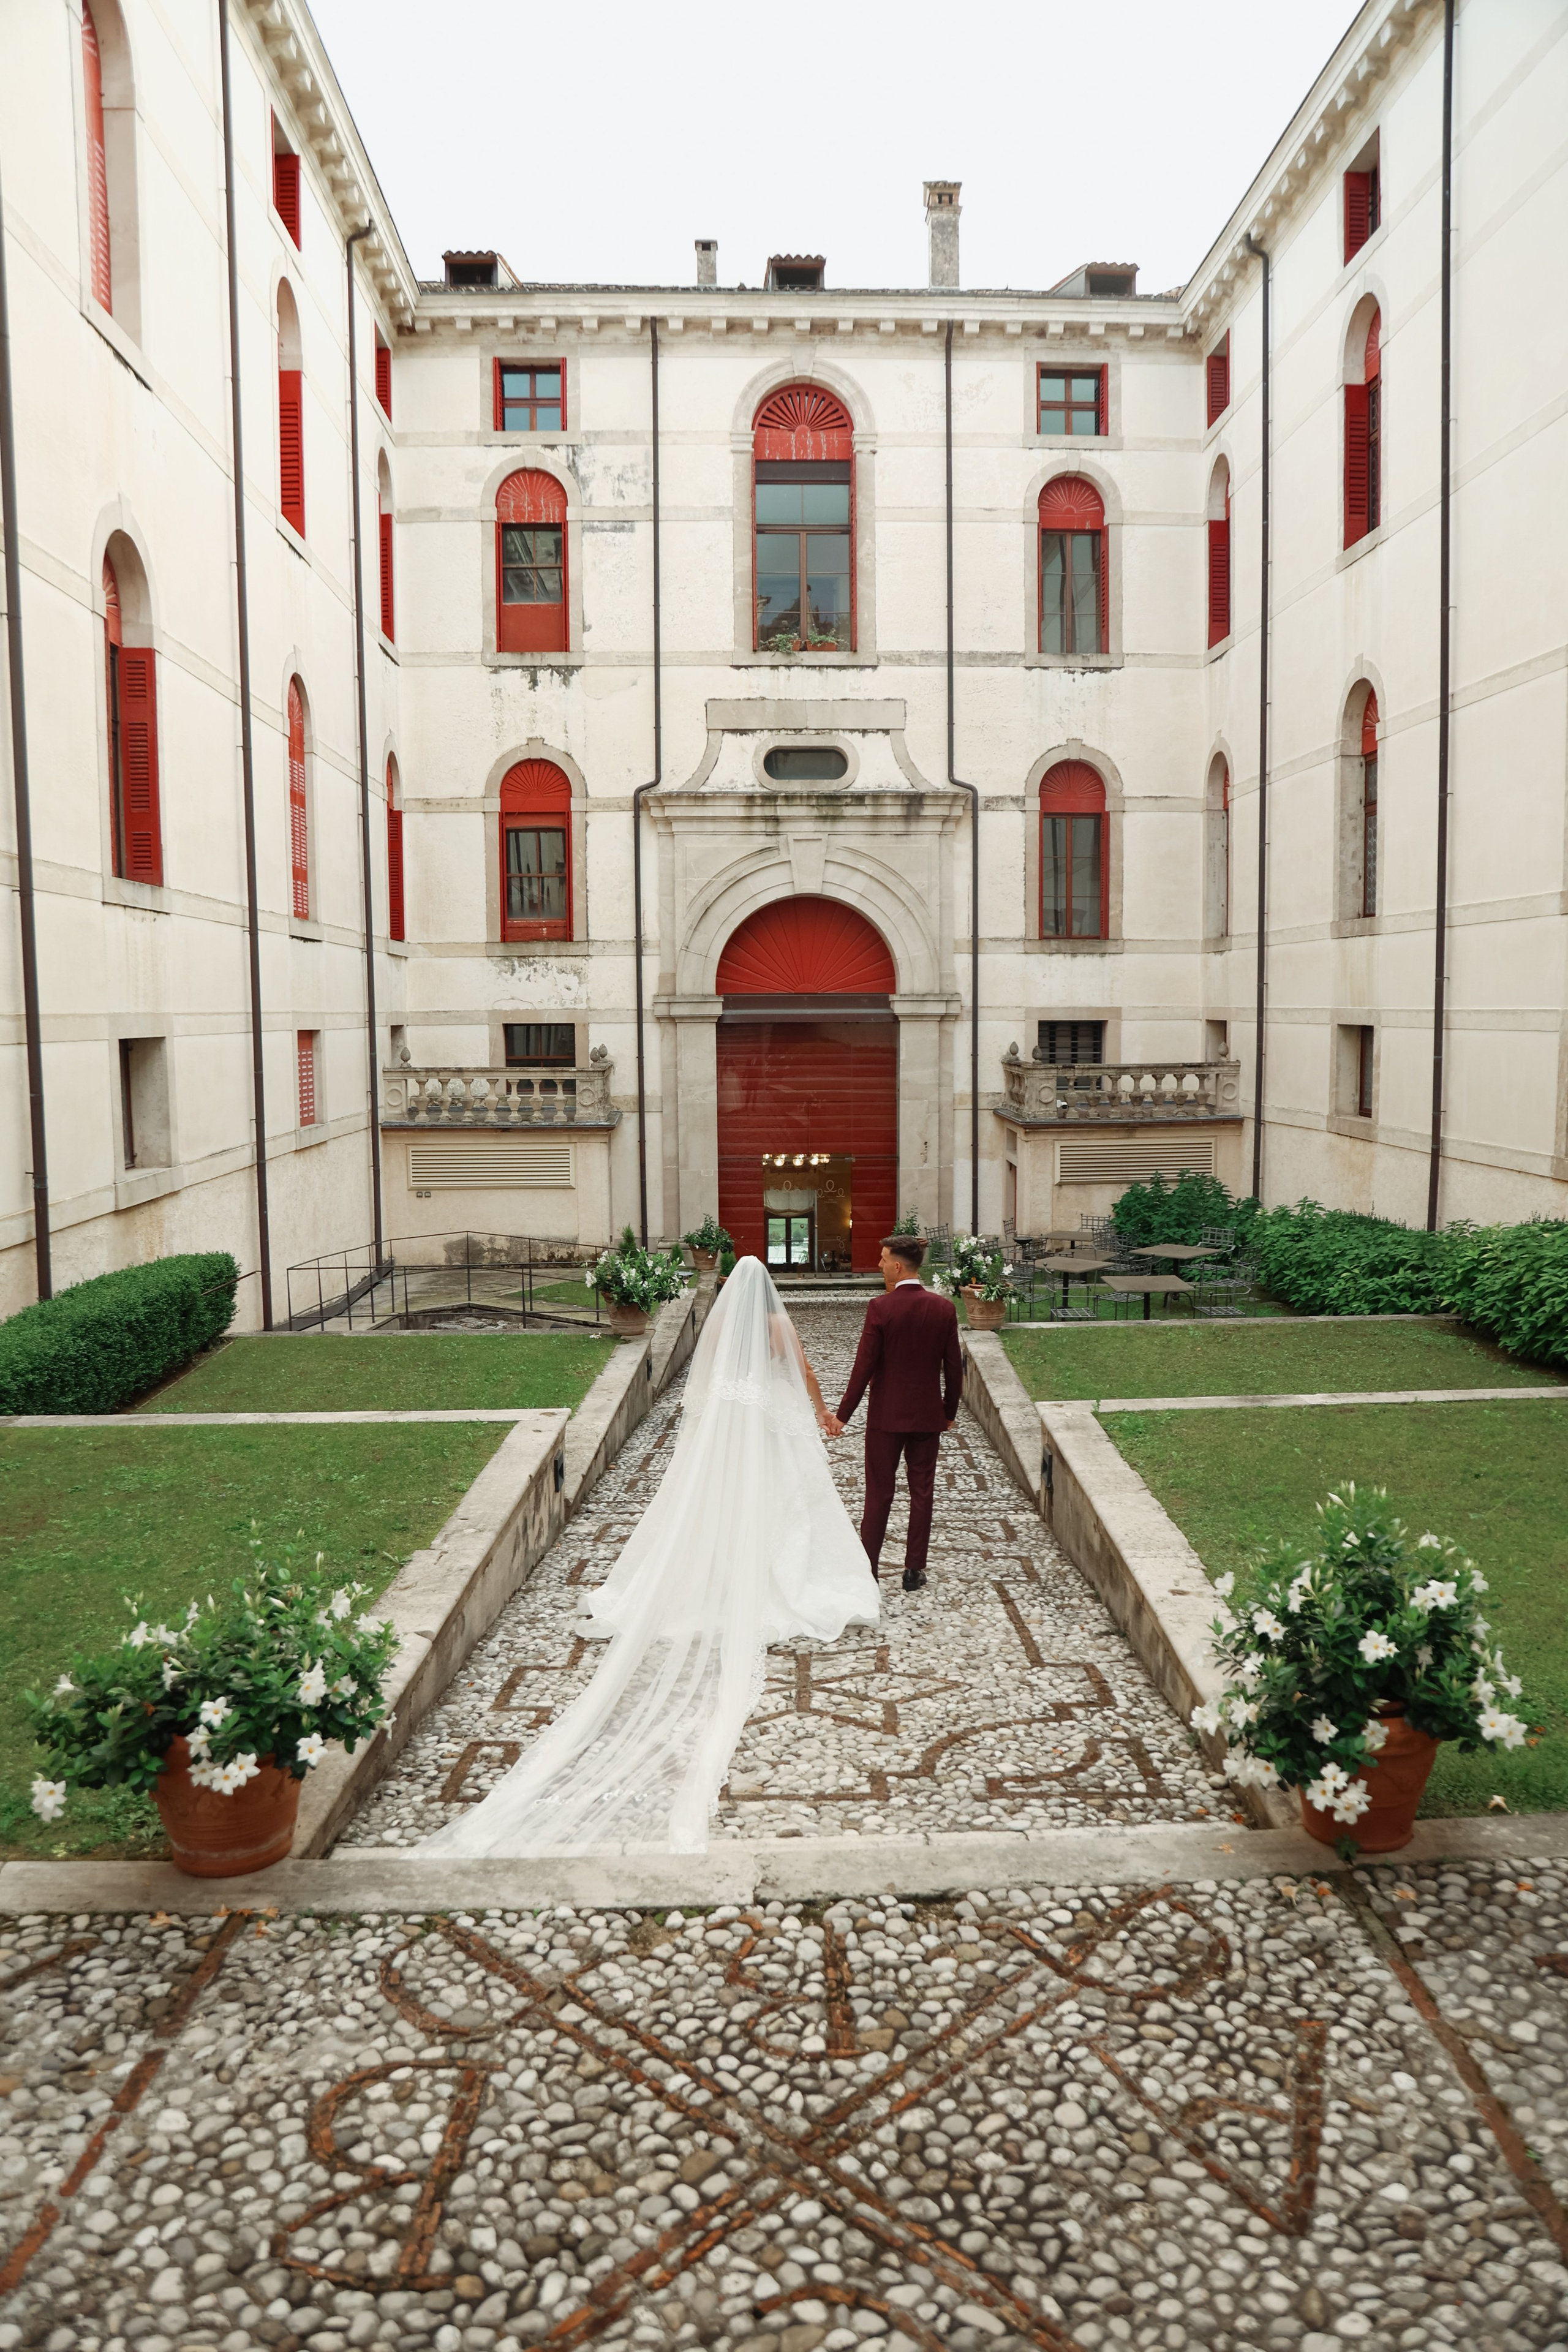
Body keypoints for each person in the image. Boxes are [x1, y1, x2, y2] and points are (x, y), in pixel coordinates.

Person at [419, 1256, 878, 1857]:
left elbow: (700, 1381)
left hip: (726, 1431)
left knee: (714, 1512)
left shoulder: (715, 1324)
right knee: (786, 1509)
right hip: (768, 1430)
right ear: (767, 1293)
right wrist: (821, 1412)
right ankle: (777, 1583)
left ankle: (712, 1581)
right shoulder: (780, 1328)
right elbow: (804, 1372)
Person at [829, 1231, 963, 1593]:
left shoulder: (881, 1308)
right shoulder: (944, 1308)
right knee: (923, 1491)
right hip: (928, 1417)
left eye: (884, 1259)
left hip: (886, 1418)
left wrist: (843, 1415)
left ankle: (868, 1568)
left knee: (879, 1492)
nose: (880, 1264)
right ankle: (914, 1570)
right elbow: (954, 1367)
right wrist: (948, 1410)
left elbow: (864, 1366)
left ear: (898, 1266)